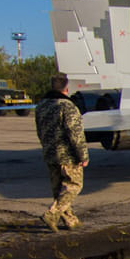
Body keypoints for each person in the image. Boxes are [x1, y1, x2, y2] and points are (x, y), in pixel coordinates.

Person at [35, 74, 89, 232]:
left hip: (50, 153)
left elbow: (40, 130)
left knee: (59, 189)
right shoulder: (67, 106)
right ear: (67, 88)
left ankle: (71, 220)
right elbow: (75, 134)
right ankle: (52, 214)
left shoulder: (41, 106)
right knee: (74, 185)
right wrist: (83, 156)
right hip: (67, 155)